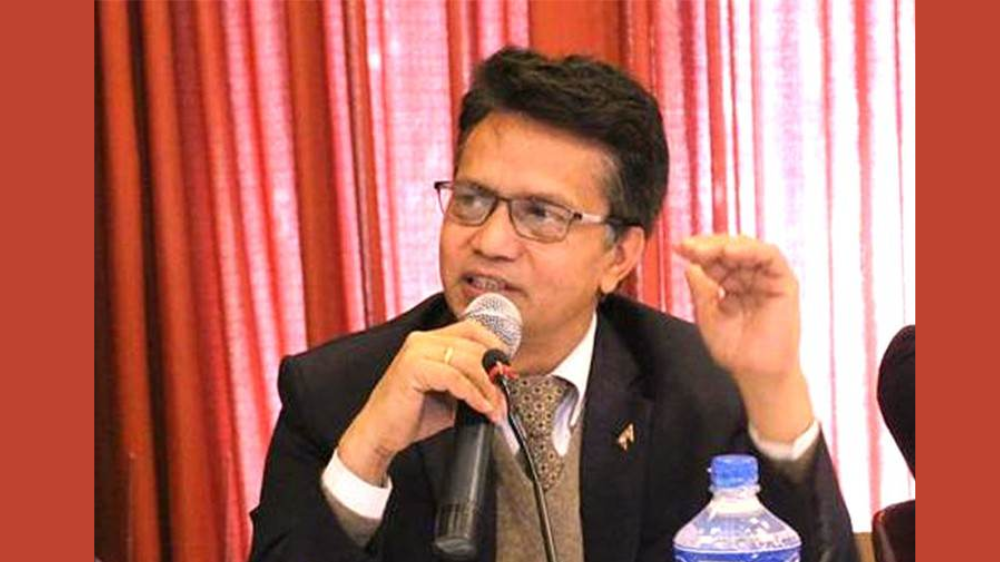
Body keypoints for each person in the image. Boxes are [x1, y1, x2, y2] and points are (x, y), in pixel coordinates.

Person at [248, 47, 858, 562]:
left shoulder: (697, 387)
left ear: (618, 256)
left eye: (539, 214)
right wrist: (368, 453)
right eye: (471, 199)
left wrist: (774, 387)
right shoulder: (337, 394)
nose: (490, 241)